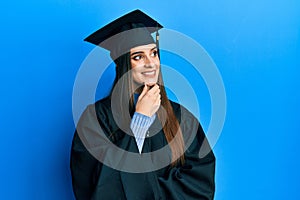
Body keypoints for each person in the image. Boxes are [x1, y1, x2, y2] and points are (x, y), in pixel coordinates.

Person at [70, 9, 215, 200]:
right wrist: (140, 122)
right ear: (123, 64)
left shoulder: (181, 117)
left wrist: (145, 189)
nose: (150, 63)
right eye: (138, 56)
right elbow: (94, 184)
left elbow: (200, 183)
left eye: (154, 53)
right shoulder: (96, 118)